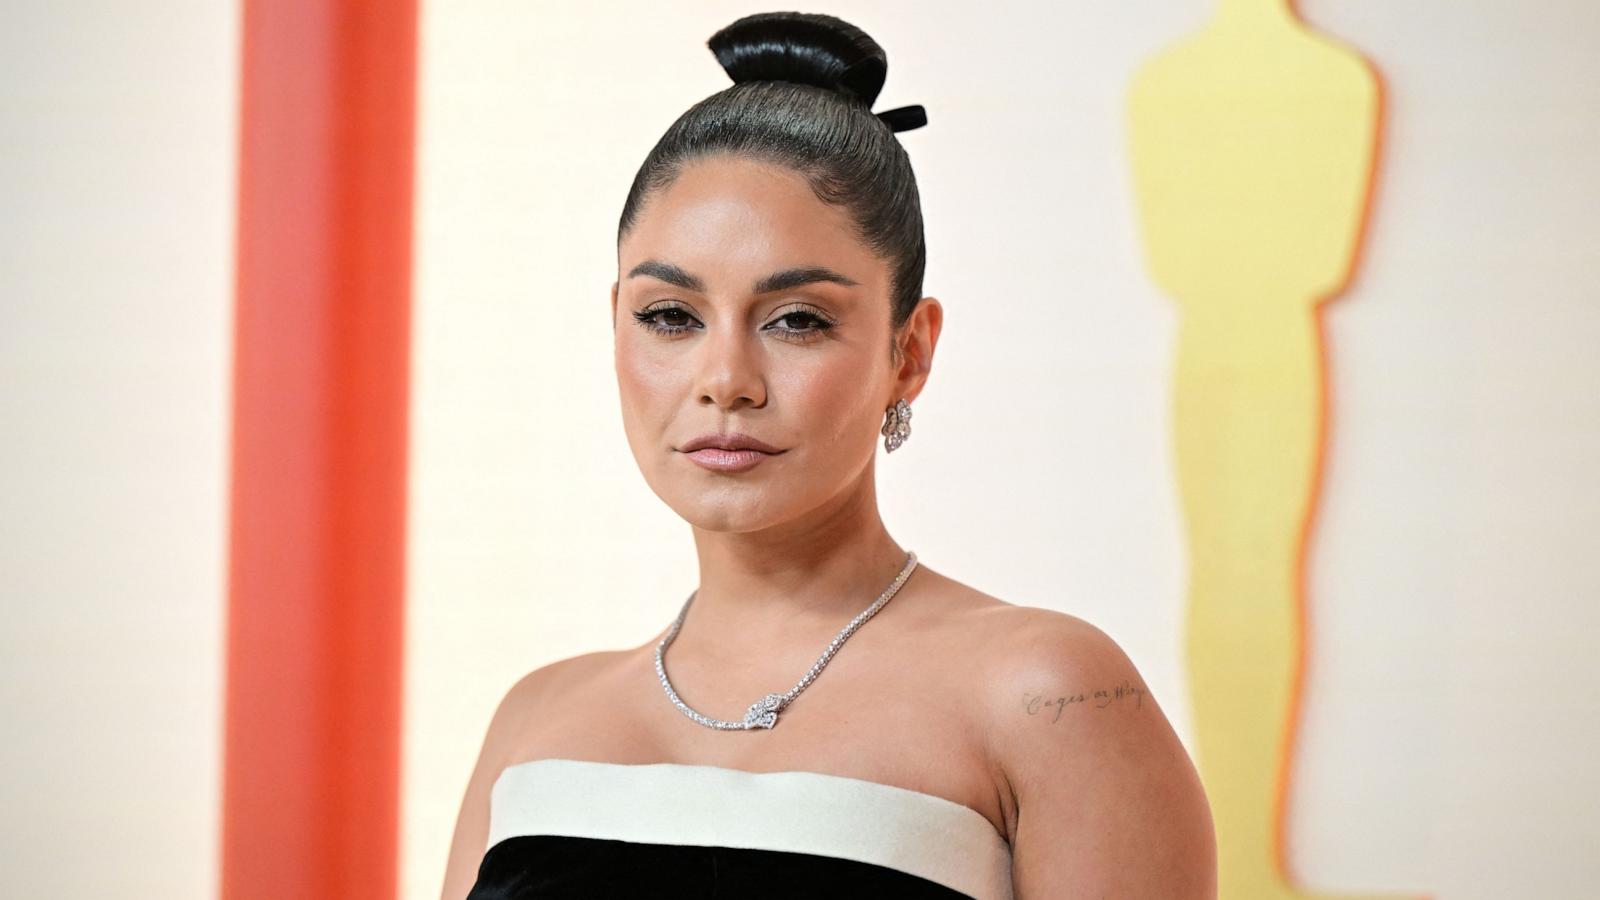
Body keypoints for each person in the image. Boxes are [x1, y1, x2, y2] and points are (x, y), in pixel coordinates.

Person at [440, 11, 1216, 899]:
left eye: (798, 320)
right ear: (615, 323)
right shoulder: (534, 723)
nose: (725, 378)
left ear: (908, 353)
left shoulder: (1048, 696)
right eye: (671, 317)